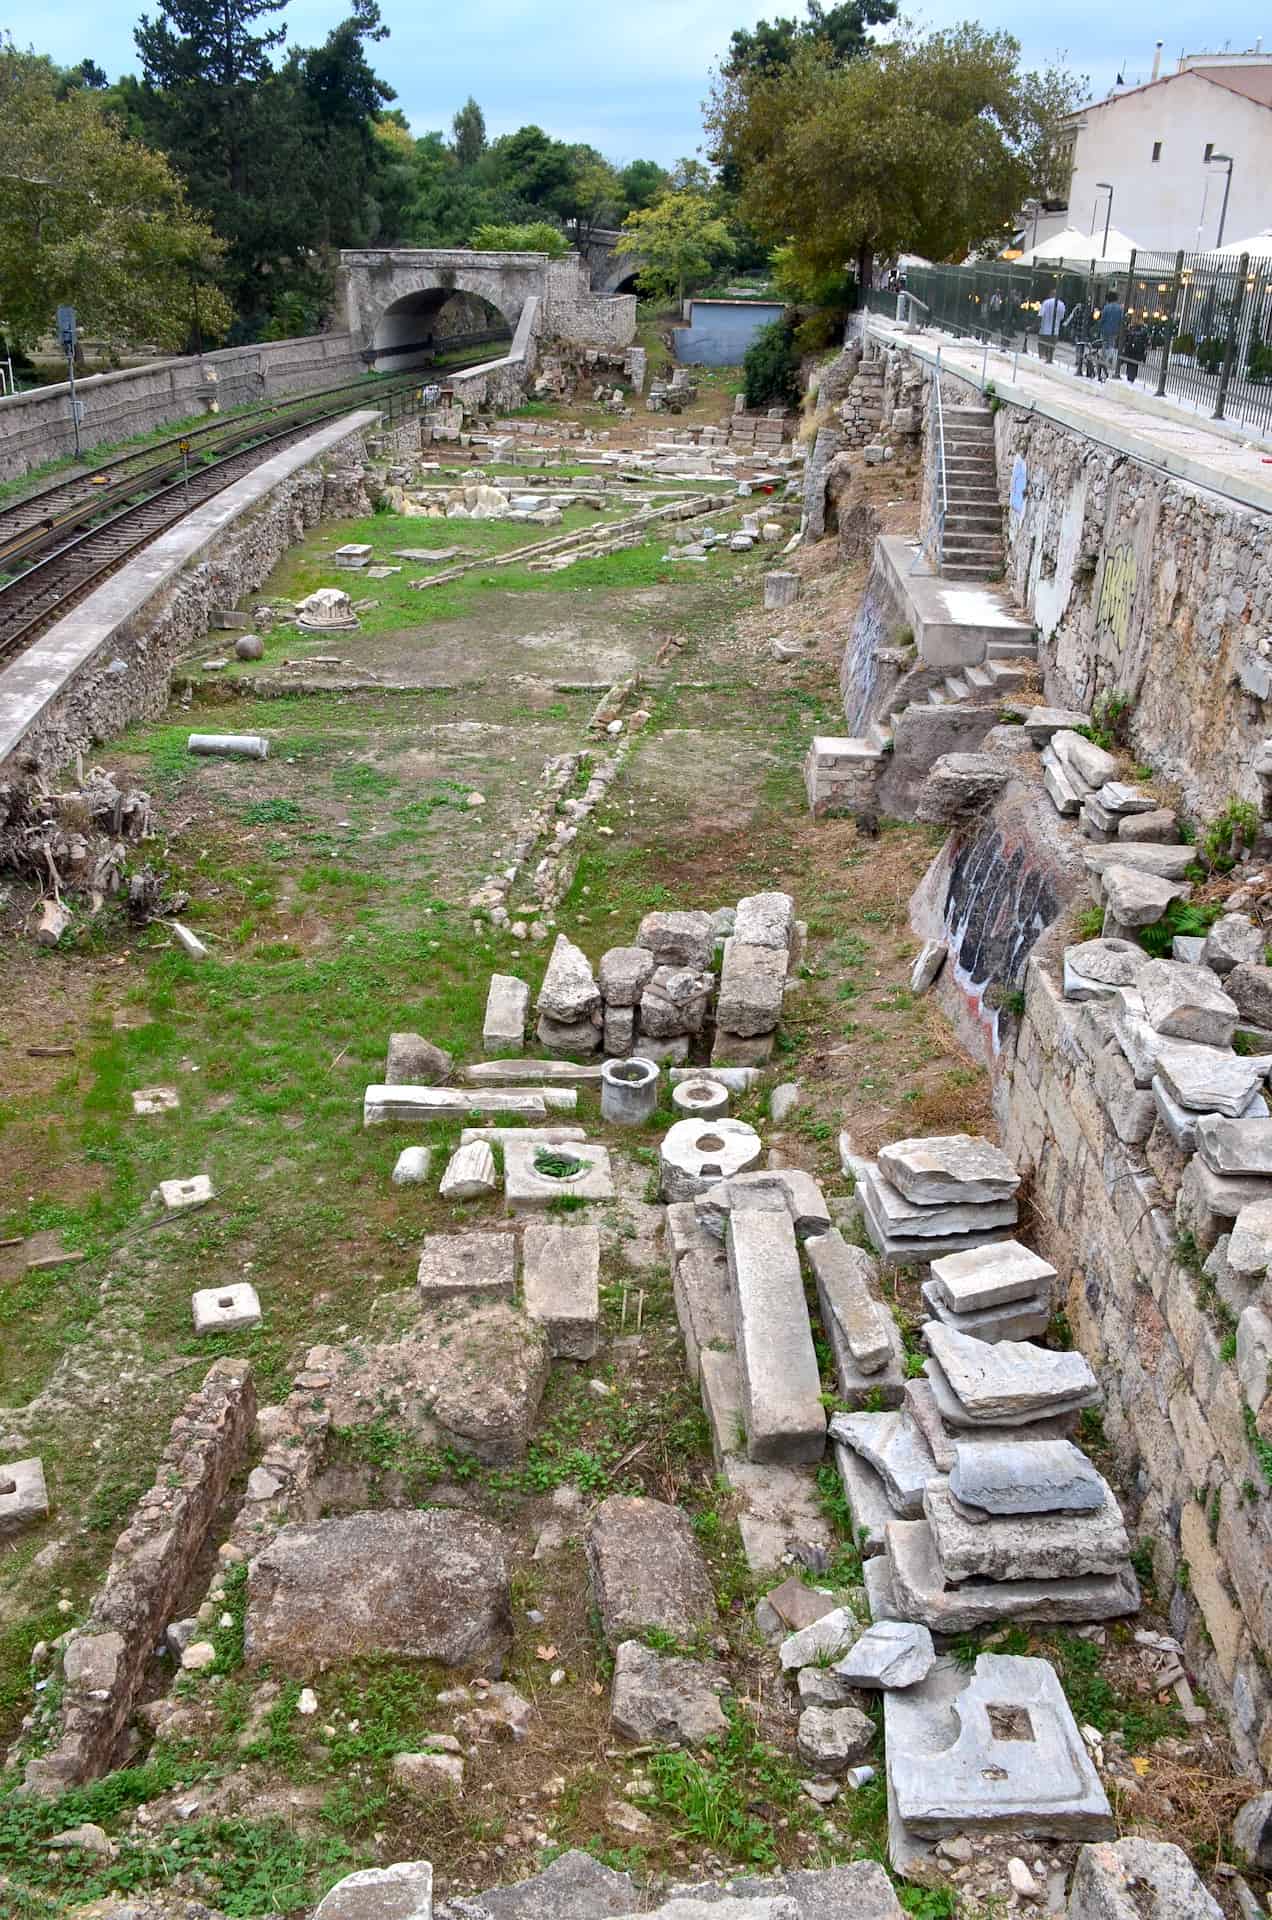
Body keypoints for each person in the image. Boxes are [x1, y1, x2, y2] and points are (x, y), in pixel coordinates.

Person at [1098, 290, 1125, 378]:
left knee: (1104, 344)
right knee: (1112, 344)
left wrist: (1099, 326)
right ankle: (1110, 358)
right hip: (1115, 330)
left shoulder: (1106, 307)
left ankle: (1104, 359)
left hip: (1105, 329)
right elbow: (1121, 320)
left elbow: (1102, 319)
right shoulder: (1120, 308)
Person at [1037, 287, 1065, 362]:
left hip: (1044, 331)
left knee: (1042, 350)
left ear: (1051, 294)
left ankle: (1042, 362)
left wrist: (1036, 326)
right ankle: (1049, 360)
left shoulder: (1046, 302)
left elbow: (1040, 315)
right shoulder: (1062, 304)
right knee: (1051, 350)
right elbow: (1061, 318)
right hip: (1055, 332)